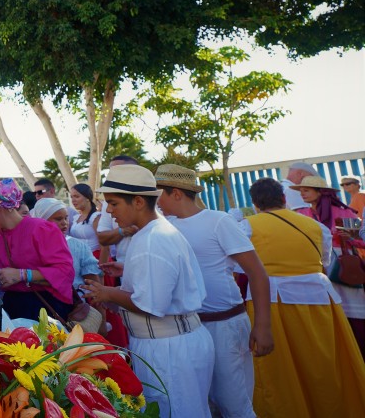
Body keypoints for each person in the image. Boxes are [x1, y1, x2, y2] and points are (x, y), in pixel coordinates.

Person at [81, 164, 215, 418]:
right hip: (174, 342)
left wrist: (107, 293)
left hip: (167, 347)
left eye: (114, 203)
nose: (108, 210)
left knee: (175, 412)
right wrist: (128, 271)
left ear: (139, 201)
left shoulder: (153, 239)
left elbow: (149, 305)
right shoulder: (155, 231)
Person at [155, 164, 273, 418]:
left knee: (234, 406)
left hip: (225, 324)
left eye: (158, 195)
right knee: (202, 404)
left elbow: (257, 273)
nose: (156, 203)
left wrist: (263, 326)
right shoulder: (166, 226)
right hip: (190, 329)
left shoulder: (218, 221)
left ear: (176, 193)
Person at [241, 178, 365, 417]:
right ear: (284, 199)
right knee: (323, 362)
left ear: (255, 203)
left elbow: (240, 268)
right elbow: (325, 262)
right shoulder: (313, 225)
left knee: (282, 370)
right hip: (319, 299)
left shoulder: (247, 226)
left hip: (273, 302)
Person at [0, 178, 76, 322]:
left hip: (44, 305)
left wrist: (21, 274)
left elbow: (65, 271)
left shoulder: (42, 229)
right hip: (13, 302)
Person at [291, 174, 365, 354]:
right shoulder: (302, 214)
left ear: (320, 192)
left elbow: (361, 240)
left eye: (306, 190)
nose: (302, 194)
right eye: (301, 190)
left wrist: (351, 240)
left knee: (355, 312)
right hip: (316, 267)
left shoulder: (345, 212)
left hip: (343, 265)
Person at [30, 197, 103, 333]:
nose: (64, 223)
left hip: (74, 313)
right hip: (38, 310)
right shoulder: (30, 247)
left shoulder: (78, 246)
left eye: (66, 218)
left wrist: (101, 319)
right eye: (58, 219)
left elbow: (94, 284)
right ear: (41, 221)